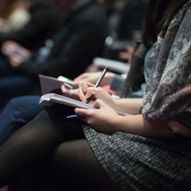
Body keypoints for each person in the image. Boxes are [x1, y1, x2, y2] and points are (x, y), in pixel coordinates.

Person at [1, 0, 191, 190]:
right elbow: (158, 103)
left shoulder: (183, 13)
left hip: (174, 152)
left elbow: (170, 119)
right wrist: (112, 102)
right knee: (50, 113)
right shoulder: (171, 12)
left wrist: (116, 118)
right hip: (146, 117)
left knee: (50, 145)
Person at [0, 0, 108, 106]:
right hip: (40, 72)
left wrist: (24, 65)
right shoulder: (81, 11)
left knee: (16, 106)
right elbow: (52, 52)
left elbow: (61, 68)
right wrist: (31, 56)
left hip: (52, 86)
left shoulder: (89, 18)